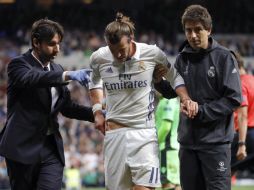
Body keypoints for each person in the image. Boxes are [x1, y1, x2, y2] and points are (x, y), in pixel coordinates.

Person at [88, 12, 197, 190]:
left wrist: (185, 98)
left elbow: (175, 77)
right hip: (115, 135)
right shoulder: (99, 57)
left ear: (131, 39)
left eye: (121, 50)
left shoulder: (152, 53)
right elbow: (94, 83)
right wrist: (97, 112)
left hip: (144, 134)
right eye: (113, 51)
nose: (118, 56)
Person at [0, 18, 94, 190]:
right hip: (22, 148)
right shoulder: (18, 65)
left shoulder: (57, 69)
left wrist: (97, 113)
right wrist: (68, 75)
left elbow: (67, 107)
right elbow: (31, 79)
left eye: (59, 44)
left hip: (50, 147)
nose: (57, 49)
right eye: (52, 44)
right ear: (36, 42)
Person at [158, 5, 242, 190]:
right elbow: (172, 91)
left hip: (216, 144)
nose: (193, 35)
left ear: (209, 30)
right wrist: (157, 80)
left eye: (198, 30)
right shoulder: (182, 59)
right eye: (188, 30)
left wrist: (202, 111)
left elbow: (234, 98)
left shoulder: (224, 58)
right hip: (188, 144)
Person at [231, 52, 254, 174]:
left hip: (245, 135)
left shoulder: (240, 84)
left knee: (219, 172)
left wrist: (241, 143)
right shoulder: (252, 80)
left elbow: (242, 115)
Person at [155, 97, 181, 190]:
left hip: (167, 148)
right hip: (173, 148)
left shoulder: (168, 100)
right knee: (176, 184)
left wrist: (155, 142)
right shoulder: (169, 100)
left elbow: (166, 126)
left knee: (168, 184)